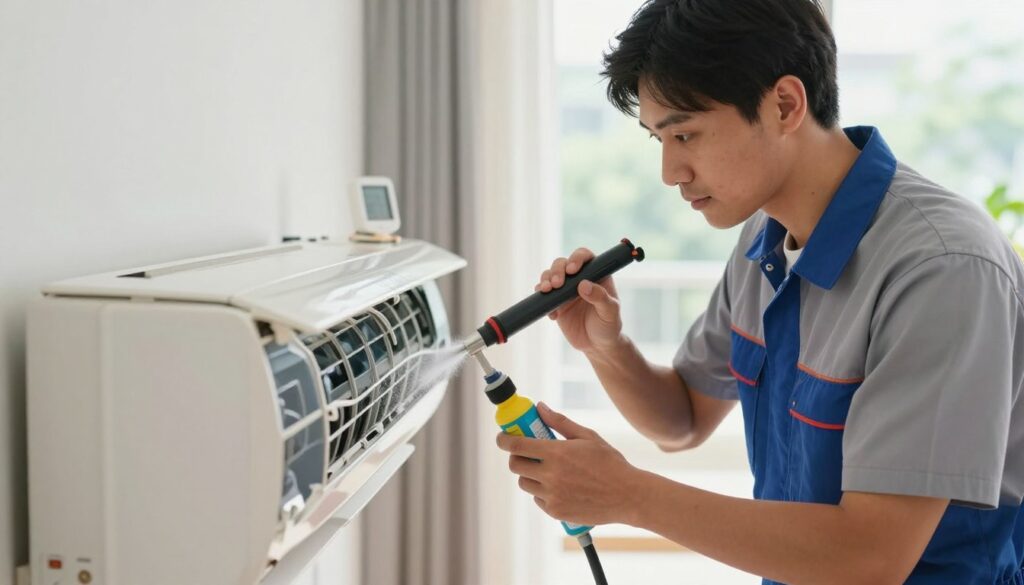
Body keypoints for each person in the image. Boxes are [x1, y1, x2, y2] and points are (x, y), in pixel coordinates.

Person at [495, 0, 1024, 582]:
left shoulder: (942, 268)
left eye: (687, 134)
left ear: (785, 105)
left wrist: (628, 495)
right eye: (658, 140)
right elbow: (683, 421)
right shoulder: (765, 234)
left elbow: (871, 559)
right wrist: (604, 346)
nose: (670, 172)